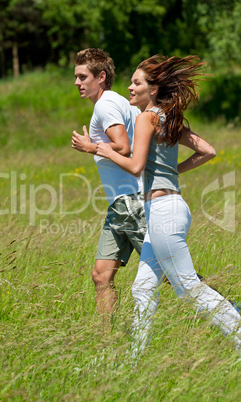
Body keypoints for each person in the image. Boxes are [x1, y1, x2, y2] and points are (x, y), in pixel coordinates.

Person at [95, 55, 241, 353]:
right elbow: (208, 150)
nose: (130, 87)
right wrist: (174, 171)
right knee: (143, 287)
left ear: (153, 88)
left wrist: (103, 151)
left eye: (136, 83)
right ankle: (131, 361)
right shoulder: (167, 118)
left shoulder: (146, 117)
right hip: (171, 209)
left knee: (188, 286)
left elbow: (135, 166)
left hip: (163, 212)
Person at [72, 48, 149, 315]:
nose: (77, 83)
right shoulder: (117, 100)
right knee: (101, 276)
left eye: (83, 77)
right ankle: (106, 344)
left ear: (101, 76)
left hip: (131, 201)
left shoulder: (105, 106)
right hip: (120, 204)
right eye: (76, 77)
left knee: (172, 275)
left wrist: (90, 147)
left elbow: (123, 147)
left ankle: (230, 310)